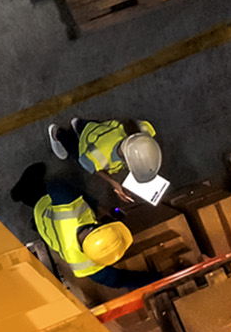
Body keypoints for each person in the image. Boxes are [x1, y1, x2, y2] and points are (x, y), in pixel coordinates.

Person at [11, 163, 159, 290]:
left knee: (42, 194)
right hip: (49, 235)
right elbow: (119, 280)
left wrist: (96, 205)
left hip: (44, 209)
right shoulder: (87, 266)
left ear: (95, 227)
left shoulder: (68, 205)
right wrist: (158, 279)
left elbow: (55, 185)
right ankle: (35, 220)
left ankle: (24, 191)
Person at [48, 118, 163, 186]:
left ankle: (78, 124)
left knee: (89, 126)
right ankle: (57, 133)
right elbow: (89, 166)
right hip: (85, 145)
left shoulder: (141, 132)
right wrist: (113, 182)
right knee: (74, 151)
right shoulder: (98, 157)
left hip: (98, 129)